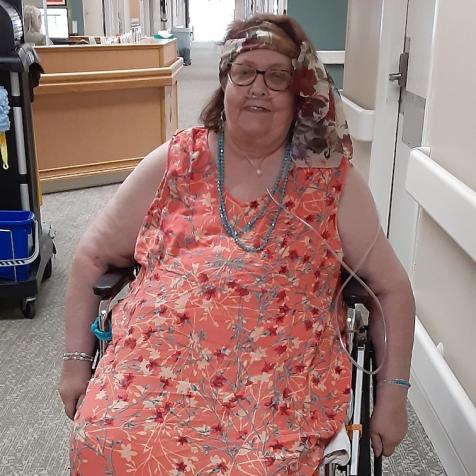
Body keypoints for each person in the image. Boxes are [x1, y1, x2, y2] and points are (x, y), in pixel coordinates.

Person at [59, 14, 415, 475]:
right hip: (155, 365)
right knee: (100, 441)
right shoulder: (177, 161)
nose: (258, 88)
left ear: (299, 91)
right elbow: (91, 256)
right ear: (224, 81)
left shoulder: (329, 181)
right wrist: (75, 363)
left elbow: (392, 289)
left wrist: (393, 396)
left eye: (277, 76)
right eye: (244, 72)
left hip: (274, 386)